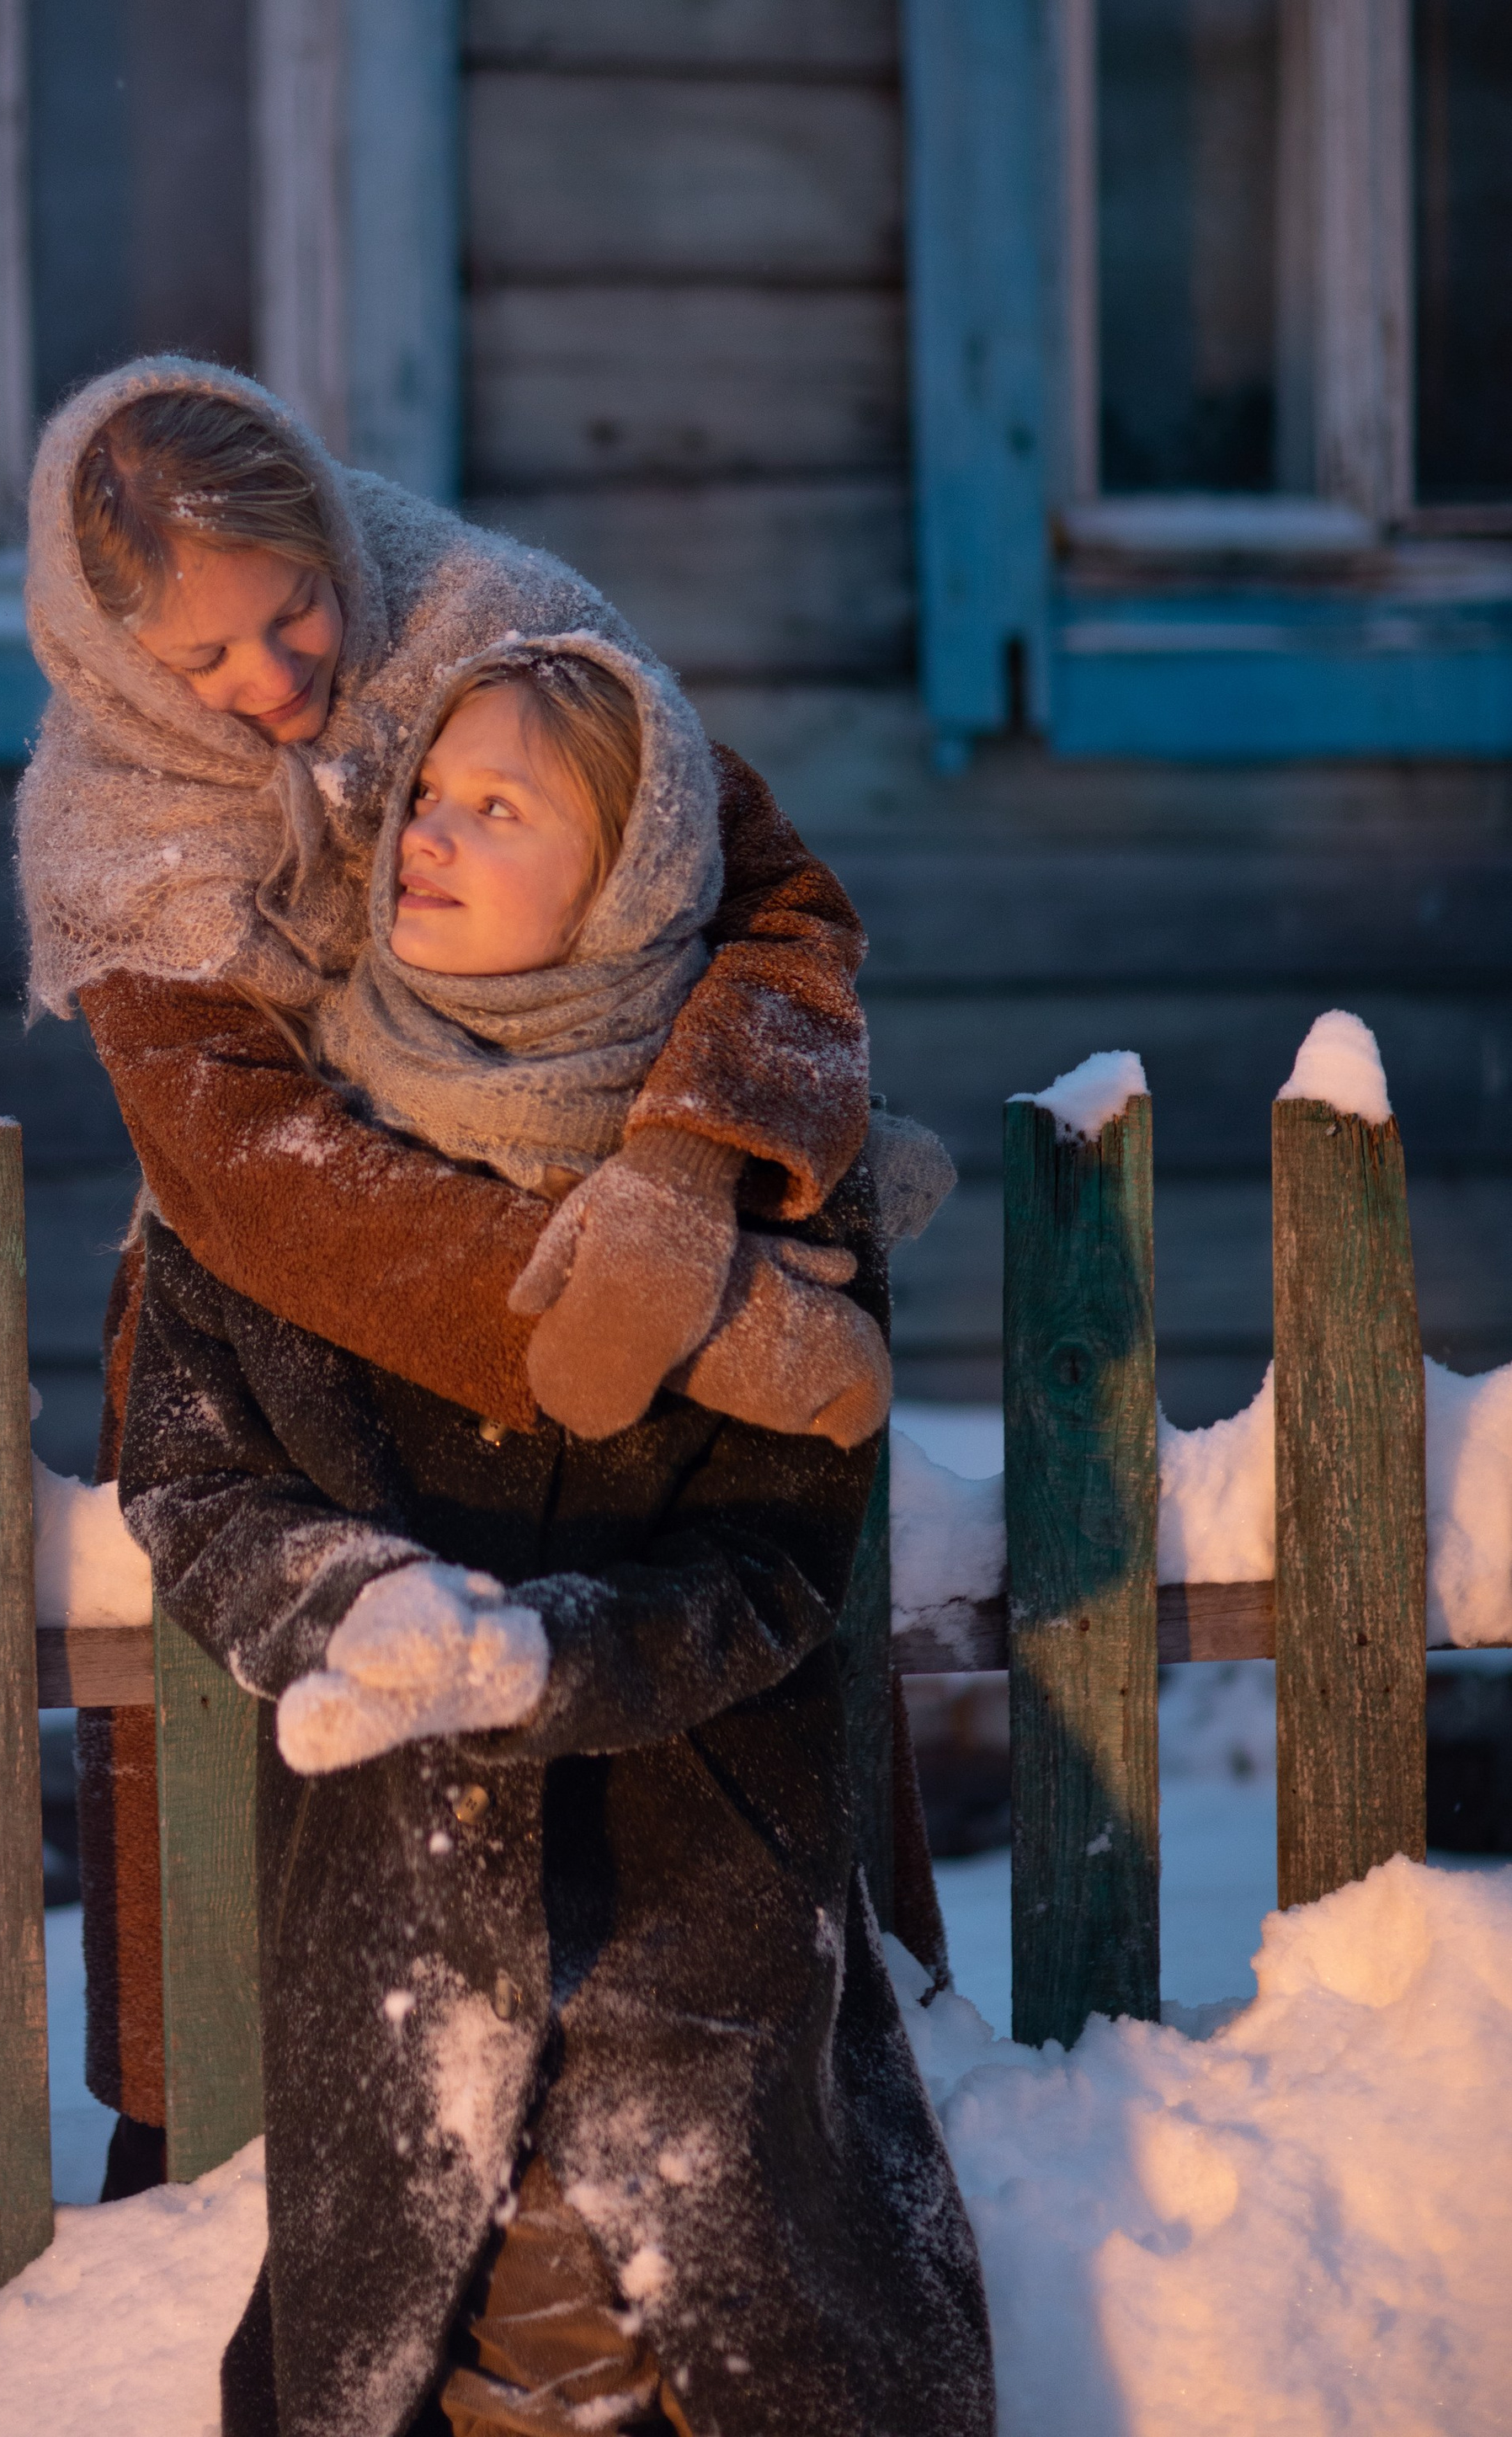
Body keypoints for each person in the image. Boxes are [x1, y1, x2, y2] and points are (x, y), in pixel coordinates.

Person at [15, 355, 950, 2185]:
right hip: (300, 1350)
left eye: (294, 613)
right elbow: (257, 1179)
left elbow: (773, 900)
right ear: (124, 668)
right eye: (208, 666)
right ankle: (225, 2187)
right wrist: (667, 1327)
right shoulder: (116, 826)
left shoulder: (492, 628)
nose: (278, 683)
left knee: (701, 1855)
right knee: (297, 1899)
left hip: (635, 1325)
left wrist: (684, 1187)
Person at [117, 632, 993, 2437]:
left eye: (493, 808)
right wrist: (349, 1605)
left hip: (697, 1900)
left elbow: (770, 1569)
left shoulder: (758, 1198)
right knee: (430, 2345)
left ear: (626, 880)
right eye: (421, 799)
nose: (423, 837)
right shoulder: (274, 1169)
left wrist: (549, 1655)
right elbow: (191, 1480)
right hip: (393, 1910)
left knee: (711, 2332)